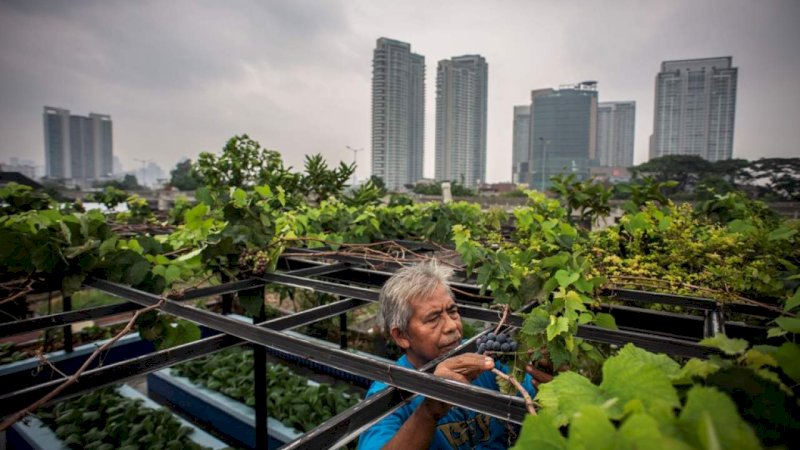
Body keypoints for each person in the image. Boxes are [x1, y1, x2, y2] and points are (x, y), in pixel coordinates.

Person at [357, 261, 537, 450]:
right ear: (401, 336)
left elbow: (531, 402)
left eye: (452, 311)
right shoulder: (389, 394)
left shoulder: (484, 362)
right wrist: (429, 411)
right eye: (433, 318)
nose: (452, 326)